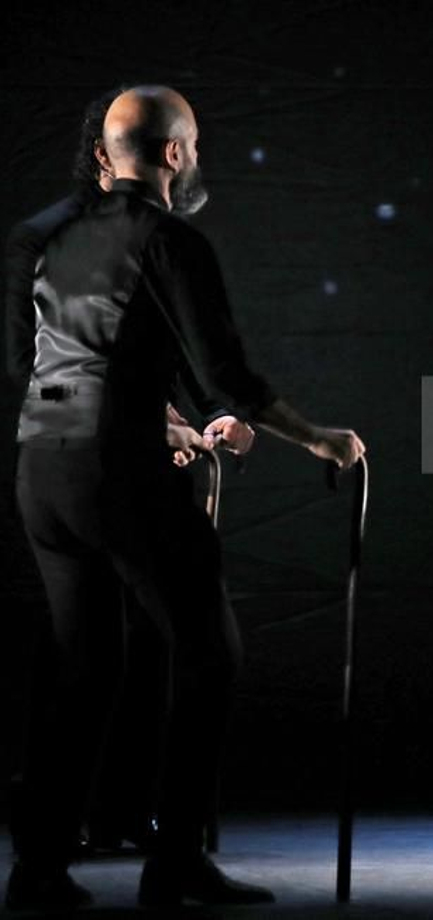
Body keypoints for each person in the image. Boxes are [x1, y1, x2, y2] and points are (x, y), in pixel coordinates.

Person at [4, 84, 364, 911]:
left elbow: (64, 361)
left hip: (43, 471)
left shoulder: (53, 238)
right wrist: (318, 438)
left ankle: (39, 867)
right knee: (208, 651)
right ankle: (175, 862)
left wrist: (175, 424)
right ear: (173, 154)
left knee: (81, 667)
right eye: (192, 147)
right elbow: (225, 375)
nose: (195, 160)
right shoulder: (172, 239)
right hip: (115, 475)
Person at [3, 86, 254, 860]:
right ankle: (147, 846)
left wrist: (173, 419)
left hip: (68, 464)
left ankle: (71, 843)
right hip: (100, 465)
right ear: (169, 152)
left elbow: (116, 355)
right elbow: (47, 366)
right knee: (176, 651)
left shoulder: (79, 234)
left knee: (107, 660)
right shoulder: (112, 237)